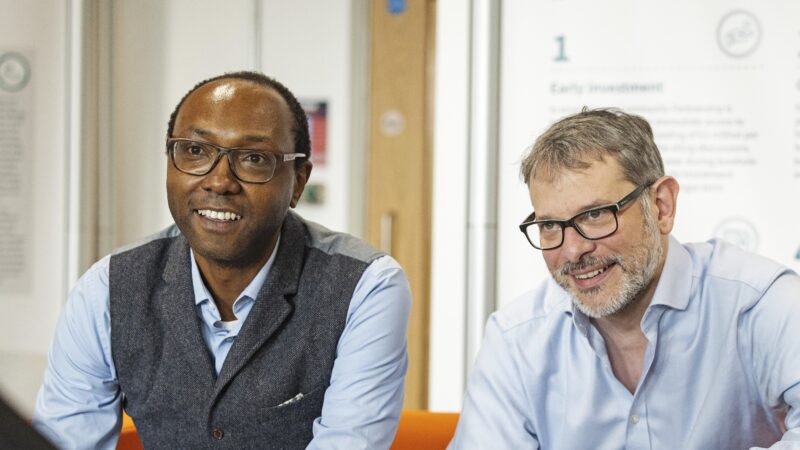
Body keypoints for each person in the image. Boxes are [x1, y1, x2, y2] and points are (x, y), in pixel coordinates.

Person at [33, 71, 411, 449]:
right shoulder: (107, 290)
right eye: (195, 151)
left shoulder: (365, 287)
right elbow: (65, 439)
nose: (218, 181)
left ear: (297, 182)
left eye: (253, 158)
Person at [449, 108, 800, 449]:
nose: (572, 251)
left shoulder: (758, 303)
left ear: (661, 206)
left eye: (596, 215)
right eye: (550, 226)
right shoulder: (517, 339)